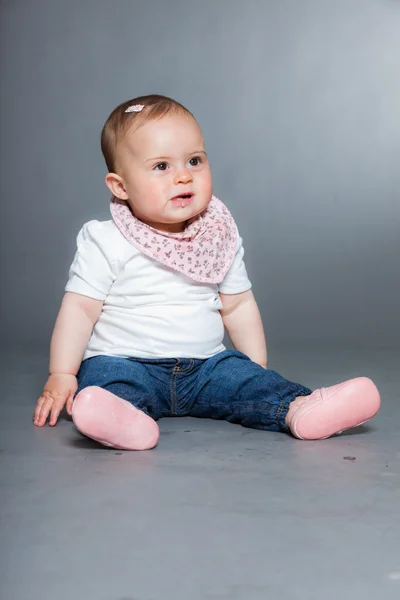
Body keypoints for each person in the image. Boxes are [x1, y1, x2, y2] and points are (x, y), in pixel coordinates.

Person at [33, 94, 380, 450]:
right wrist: (61, 373)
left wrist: (253, 368)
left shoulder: (217, 237)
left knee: (248, 384)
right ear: (121, 186)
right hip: (125, 361)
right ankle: (123, 419)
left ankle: (300, 408)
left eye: (194, 161)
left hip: (205, 367)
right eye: (161, 167)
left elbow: (238, 304)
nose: (183, 176)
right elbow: (80, 308)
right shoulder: (105, 239)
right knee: (106, 381)